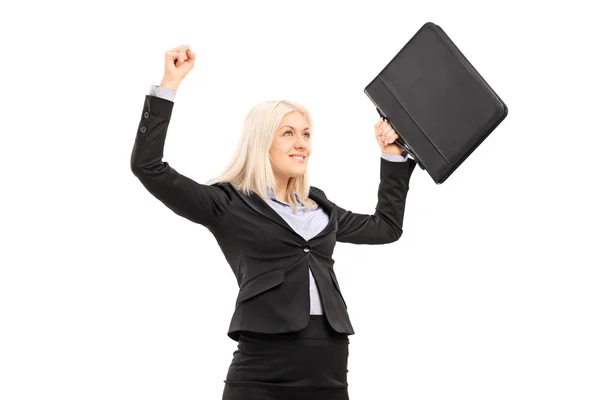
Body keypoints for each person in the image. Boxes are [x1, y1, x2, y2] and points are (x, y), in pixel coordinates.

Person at [130, 44, 417, 400]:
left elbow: (386, 227)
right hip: (263, 370)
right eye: (288, 133)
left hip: (328, 367)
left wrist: (391, 156)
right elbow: (149, 168)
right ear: (261, 141)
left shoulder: (320, 207)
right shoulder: (226, 203)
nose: (302, 144)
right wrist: (168, 85)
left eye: (306, 133)